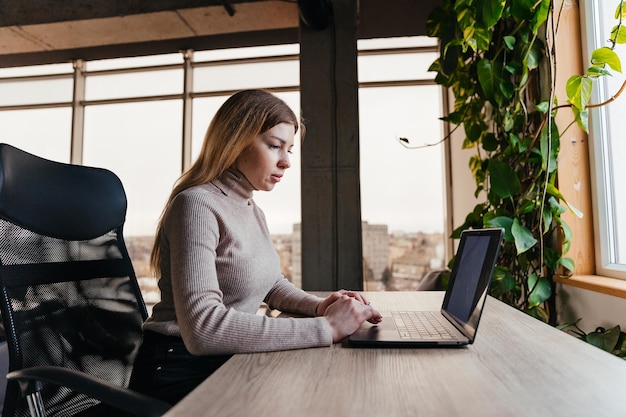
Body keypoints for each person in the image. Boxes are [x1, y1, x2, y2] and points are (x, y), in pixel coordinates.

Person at [129, 89, 382, 405]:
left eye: (289, 150)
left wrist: (319, 306)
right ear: (235, 141)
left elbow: (270, 284)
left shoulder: (251, 208)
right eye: (275, 146)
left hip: (227, 359)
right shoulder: (196, 205)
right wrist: (326, 327)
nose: (286, 162)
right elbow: (202, 328)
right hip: (179, 370)